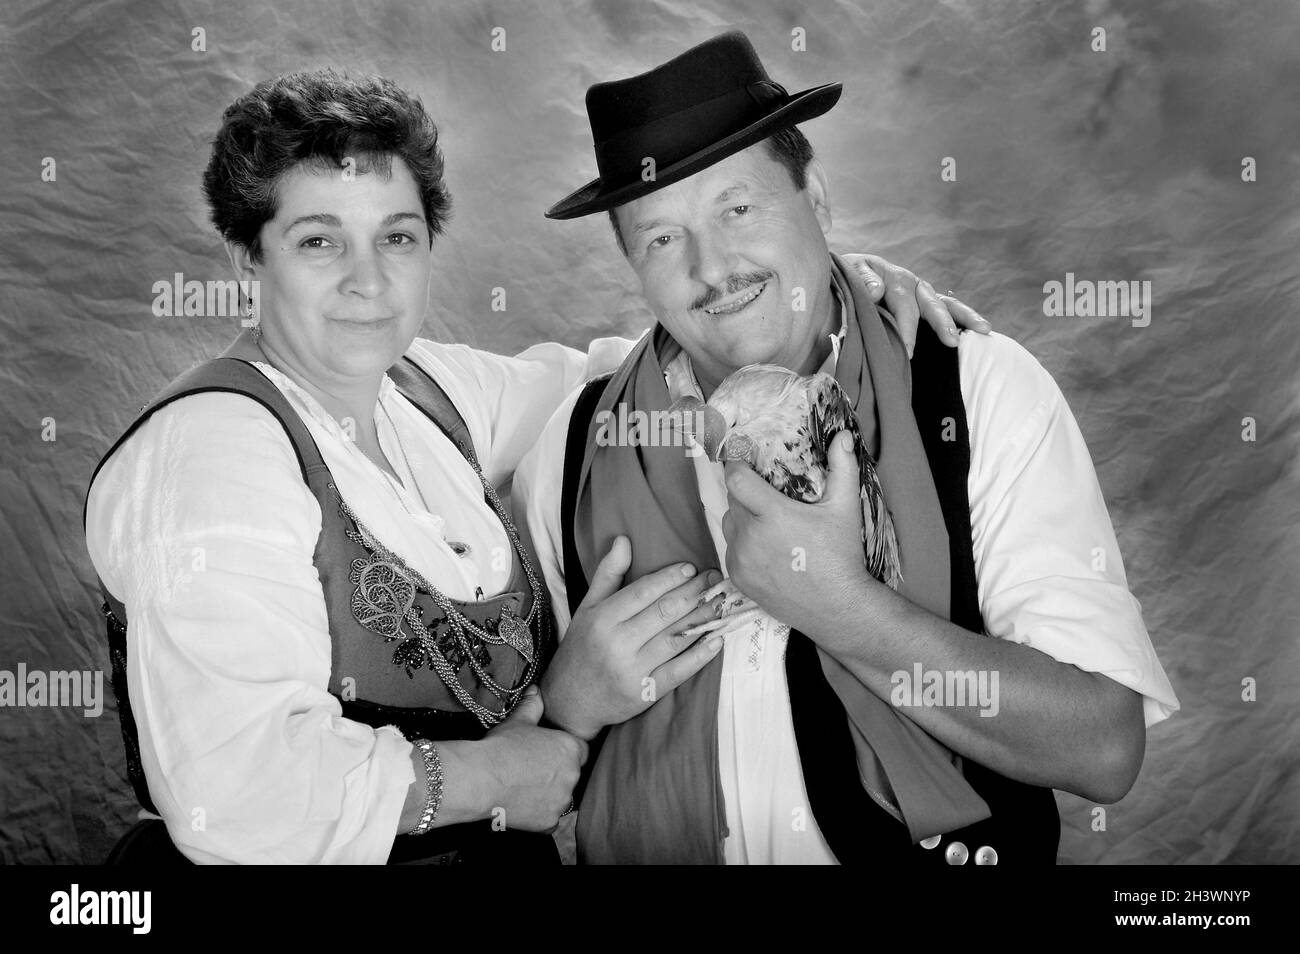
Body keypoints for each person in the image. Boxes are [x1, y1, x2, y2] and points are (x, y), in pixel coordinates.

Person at [83, 67, 975, 864]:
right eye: (319, 241)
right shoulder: (209, 455)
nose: (368, 280)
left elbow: (629, 364)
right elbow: (235, 796)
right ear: (248, 253)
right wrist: (496, 778)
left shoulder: (433, 394)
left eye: (396, 237)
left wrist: (816, 283)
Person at [516, 31, 1181, 864]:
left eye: (739, 207)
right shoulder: (572, 448)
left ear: (817, 197)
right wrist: (569, 699)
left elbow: (1104, 750)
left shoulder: (977, 393)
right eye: (659, 238)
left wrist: (843, 608)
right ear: (632, 266)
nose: (713, 267)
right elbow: (517, 776)